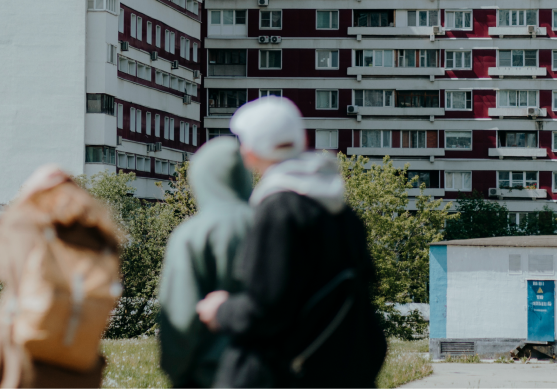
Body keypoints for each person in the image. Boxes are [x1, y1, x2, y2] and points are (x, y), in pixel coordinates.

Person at [196, 96, 386, 389]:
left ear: (250, 153)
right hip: (344, 369)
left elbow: (267, 309)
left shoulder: (278, 209)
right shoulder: (337, 207)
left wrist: (220, 311)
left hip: (290, 373)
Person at [0, 164, 123, 389]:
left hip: (28, 358)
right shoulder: (103, 239)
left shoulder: (28, 225)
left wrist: (19, 203)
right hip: (80, 363)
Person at [157, 137, 255, 389]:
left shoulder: (192, 234)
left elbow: (180, 318)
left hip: (210, 376)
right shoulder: (274, 225)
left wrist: (177, 373)